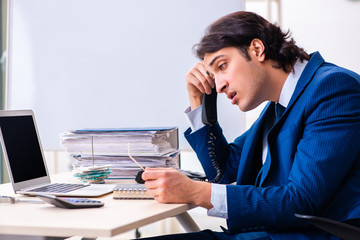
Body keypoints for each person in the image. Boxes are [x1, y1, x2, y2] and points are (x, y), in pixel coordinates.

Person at [140, 11, 360, 240]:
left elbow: (301, 201)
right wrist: (199, 102)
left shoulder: (333, 88)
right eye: (212, 75)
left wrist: (195, 192)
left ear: (257, 49)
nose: (219, 85)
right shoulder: (280, 104)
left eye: (222, 66)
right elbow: (223, 170)